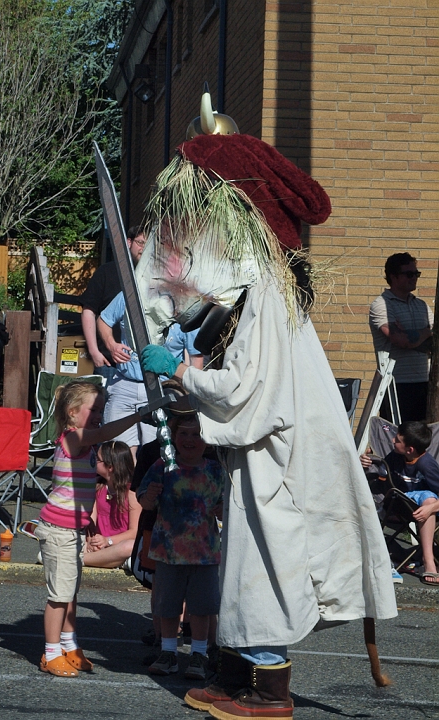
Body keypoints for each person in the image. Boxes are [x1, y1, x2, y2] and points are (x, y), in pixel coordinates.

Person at [135, 88, 396, 719]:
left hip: (276, 458)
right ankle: (233, 674)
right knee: (246, 567)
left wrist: (183, 376)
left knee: (266, 565)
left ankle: (268, 691)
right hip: (262, 454)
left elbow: (245, 392)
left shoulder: (267, 297)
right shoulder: (256, 293)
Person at [34, 380, 153, 677]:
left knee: (71, 592)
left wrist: (89, 523)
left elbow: (75, 491)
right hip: (58, 529)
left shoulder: (88, 448)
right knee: (59, 596)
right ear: (73, 413)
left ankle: (69, 643)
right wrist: (138, 416)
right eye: (95, 408)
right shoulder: (73, 437)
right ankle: (50, 652)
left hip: (72, 528)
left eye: (102, 407)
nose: (100, 413)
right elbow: (101, 433)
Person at [136, 414, 224, 681]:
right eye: (183, 434)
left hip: (204, 552)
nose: (189, 440)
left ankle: (199, 653)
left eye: (196, 434)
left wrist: (222, 510)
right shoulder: (163, 466)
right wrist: (148, 497)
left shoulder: (215, 470)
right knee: (167, 605)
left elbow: (224, 507)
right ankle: (168, 652)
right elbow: (144, 501)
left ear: (207, 440)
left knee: (201, 607)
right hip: (168, 550)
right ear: (172, 437)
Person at [98, 295, 202, 460]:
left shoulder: (187, 303)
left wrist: (192, 400)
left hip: (161, 388)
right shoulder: (132, 290)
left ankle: (144, 485)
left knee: (157, 452)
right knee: (117, 455)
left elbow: (197, 360)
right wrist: (111, 345)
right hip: (124, 383)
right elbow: (104, 320)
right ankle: (125, 486)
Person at [361, 421, 439, 586]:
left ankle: (428, 561)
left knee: (429, 498)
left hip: (422, 509)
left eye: (397, 440)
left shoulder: (427, 465)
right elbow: (383, 473)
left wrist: (431, 507)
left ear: (410, 449)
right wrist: (366, 462)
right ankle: (416, 558)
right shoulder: (396, 455)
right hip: (397, 502)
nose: (392, 441)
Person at [369, 253, 434, 421]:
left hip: (424, 382)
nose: (414, 278)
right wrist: (426, 332)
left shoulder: (422, 306)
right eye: (409, 274)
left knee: (422, 438)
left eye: (416, 274)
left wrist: (415, 337)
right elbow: (401, 340)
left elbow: (433, 343)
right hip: (396, 384)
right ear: (393, 276)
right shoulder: (382, 304)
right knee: (397, 438)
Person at [80, 226, 145, 381]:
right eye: (140, 243)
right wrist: (94, 351)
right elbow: (88, 311)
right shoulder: (106, 272)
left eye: (147, 245)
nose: (144, 248)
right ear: (129, 242)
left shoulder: (152, 277)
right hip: (109, 361)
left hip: (142, 366)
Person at [83, 440, 141, 569]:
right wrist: (91, 541)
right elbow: (90, 523)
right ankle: (101, 560)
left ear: (110, 467)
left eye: (97, 459)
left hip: (118, 544)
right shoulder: (97, 487)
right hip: (100, 544)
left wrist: (108, 540)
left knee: (130, 546)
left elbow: (134, 532)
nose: (93, 461)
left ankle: (79, 560)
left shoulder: (132, 492)